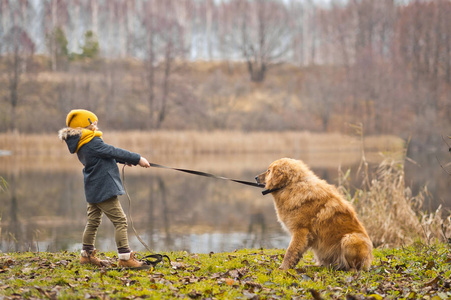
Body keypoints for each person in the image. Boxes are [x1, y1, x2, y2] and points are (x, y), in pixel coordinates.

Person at [58, 109, 151, 269]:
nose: (95, 126)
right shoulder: (91, 142)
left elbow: (104, 156)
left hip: (93, 187)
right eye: (93, 124)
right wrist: (138, 158)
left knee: (93, 221)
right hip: (103, 188)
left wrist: (123, 160)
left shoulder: (80, 143)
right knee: (120, 220)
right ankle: (125, 257)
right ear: (83, 126)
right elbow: (111, 151)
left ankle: (86, 255)